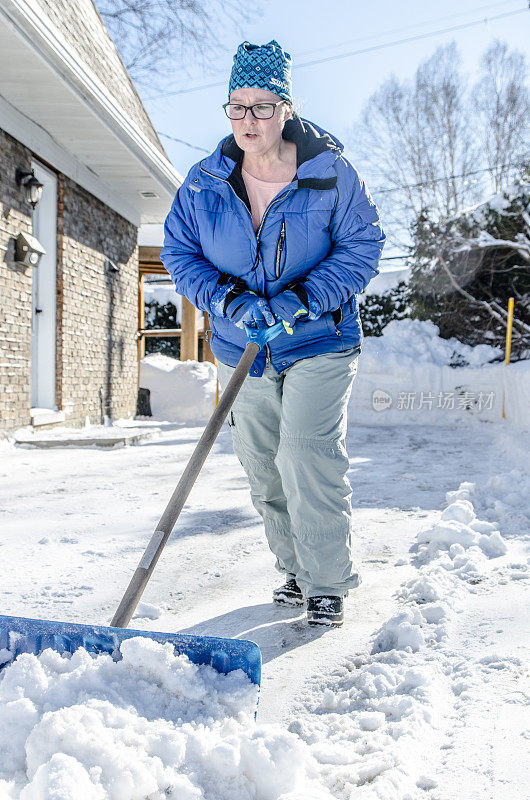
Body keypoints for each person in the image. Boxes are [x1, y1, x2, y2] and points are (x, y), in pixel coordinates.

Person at [161, 40, 385, 627]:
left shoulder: (329, 173)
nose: (248, 122)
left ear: (286, 108)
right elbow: (180, 253)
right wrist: (229, 298)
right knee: (262, 461)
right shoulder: (203, 182)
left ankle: (327, 580)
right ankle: (294, 568)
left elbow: (363, 247)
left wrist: (302, 299)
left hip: (319, 338)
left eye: (261, 107)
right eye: (237, 108)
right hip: (243, 346)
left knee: (305, 451)